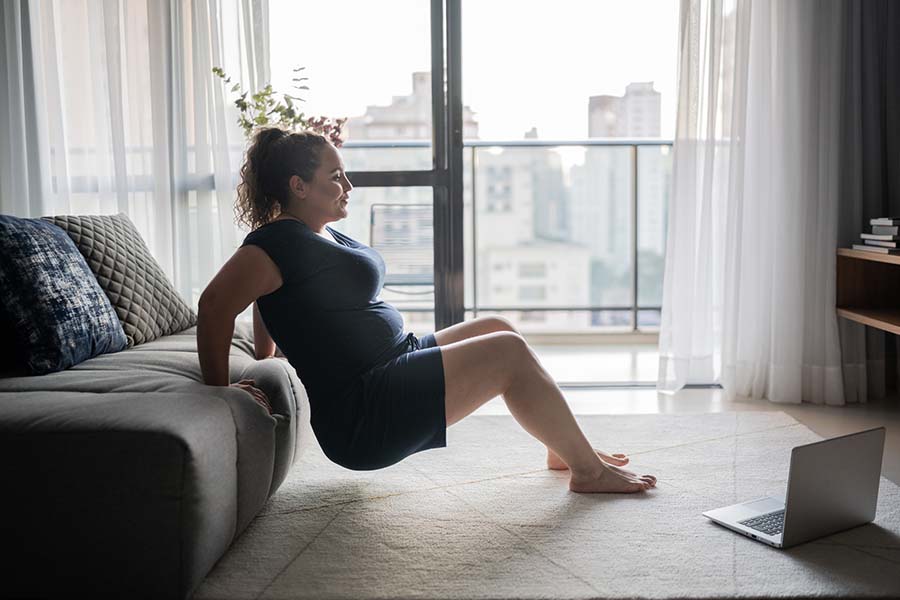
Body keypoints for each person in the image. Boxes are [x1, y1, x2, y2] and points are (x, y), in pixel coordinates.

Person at [197, 127, 657, 494]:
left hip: (393, 359)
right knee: (507, 351)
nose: (348, 186)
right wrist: (220, 390)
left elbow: (268, 298)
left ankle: (563, 449)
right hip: (366, 407)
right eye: (336, 176)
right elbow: (215, 305)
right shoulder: (272, 242)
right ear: (298, 185)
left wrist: (266, 354)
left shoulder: (311, 234)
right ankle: (587, 472)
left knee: (498, 326)